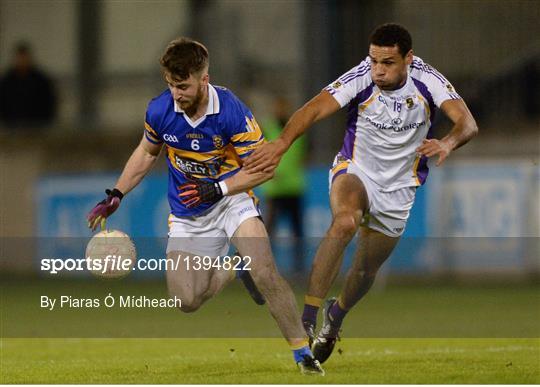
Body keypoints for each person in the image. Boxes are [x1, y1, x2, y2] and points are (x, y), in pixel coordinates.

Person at [86, 38, 324, 375]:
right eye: (170, 85)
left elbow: (262, 168)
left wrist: (219, 187)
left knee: (266, 272)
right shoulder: (160, 110)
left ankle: (303, 353)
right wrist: (116, 194)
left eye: (183, 86)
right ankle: (233, 267)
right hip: (187, 213)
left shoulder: (231, 112)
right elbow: (145, 153)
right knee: (186, 301)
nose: (176, 94)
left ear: (204, 80)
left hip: (231, 199)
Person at [244, 23, 478, 363]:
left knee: (365, 272)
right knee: (344, 223)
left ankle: (335, 317)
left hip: (399, 188)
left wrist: (447, 142)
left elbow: (467, 123)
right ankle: (306, 321)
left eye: (388, 63)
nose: (378, 70)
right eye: (374, 61)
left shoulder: (429, 81)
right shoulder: (360, 77)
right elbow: (313, 109)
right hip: (356, 171)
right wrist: (281, 142)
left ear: (408, 59)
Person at [260, 96, 307, 274]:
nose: (280, 110)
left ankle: (299, 271)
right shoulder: (267, 128)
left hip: (294, 187)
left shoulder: (296, 128)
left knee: (298, 234)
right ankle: (265, 269)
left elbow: (303, 155)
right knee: (268, 233)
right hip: (274, 190)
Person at [0, 41, 57, 128]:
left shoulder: (41, 81)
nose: (22, 61)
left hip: (37, 127)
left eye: (24, 57)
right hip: (12, 127)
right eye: (20, 58)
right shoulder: (7, 81)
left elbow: (49, 104)